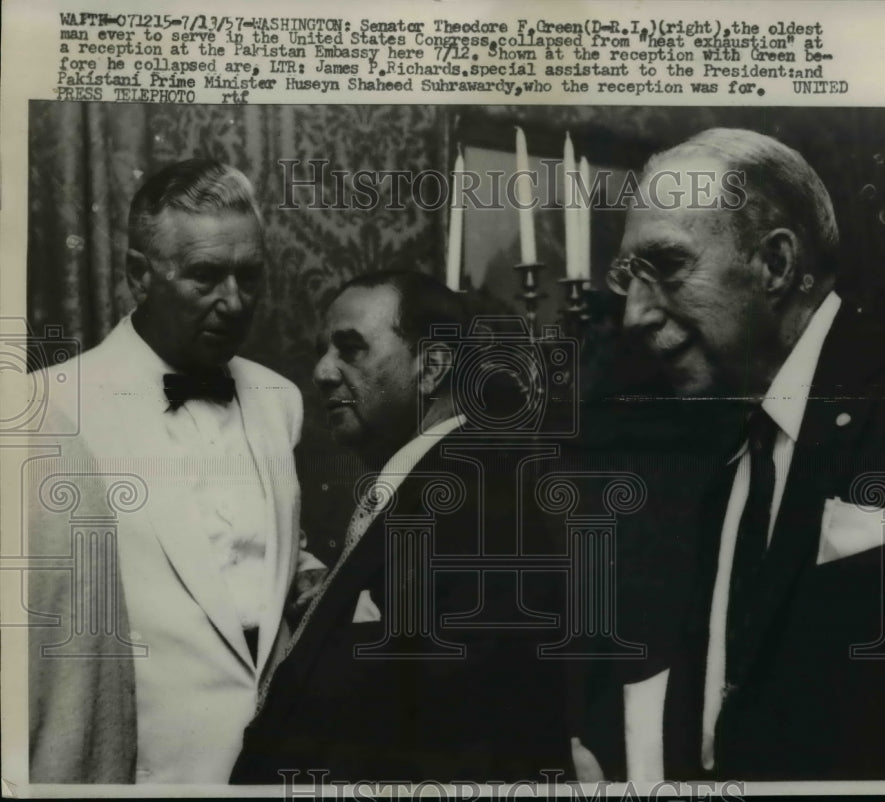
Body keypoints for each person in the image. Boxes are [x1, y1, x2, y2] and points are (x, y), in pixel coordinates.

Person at [586, 128, 885, 781]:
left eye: (668, 268)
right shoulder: (723, 450)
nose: (635, 316)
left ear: (776, 263)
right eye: (629, 278)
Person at [28, 159, 323, 783]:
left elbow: (272, 554)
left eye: (250, 276)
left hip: (285, 758)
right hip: (148, 771)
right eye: (206, 277)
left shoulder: (281, 399)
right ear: (140, 275)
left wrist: (314, 577)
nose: (235, 302)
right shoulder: (49, 410)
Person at [231, 270, 572, 782]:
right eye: (325, 350)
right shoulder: (437, 494)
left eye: (351, 349)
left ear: (432, 366)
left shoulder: (471, 505)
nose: (323, 371)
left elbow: (472, 747)